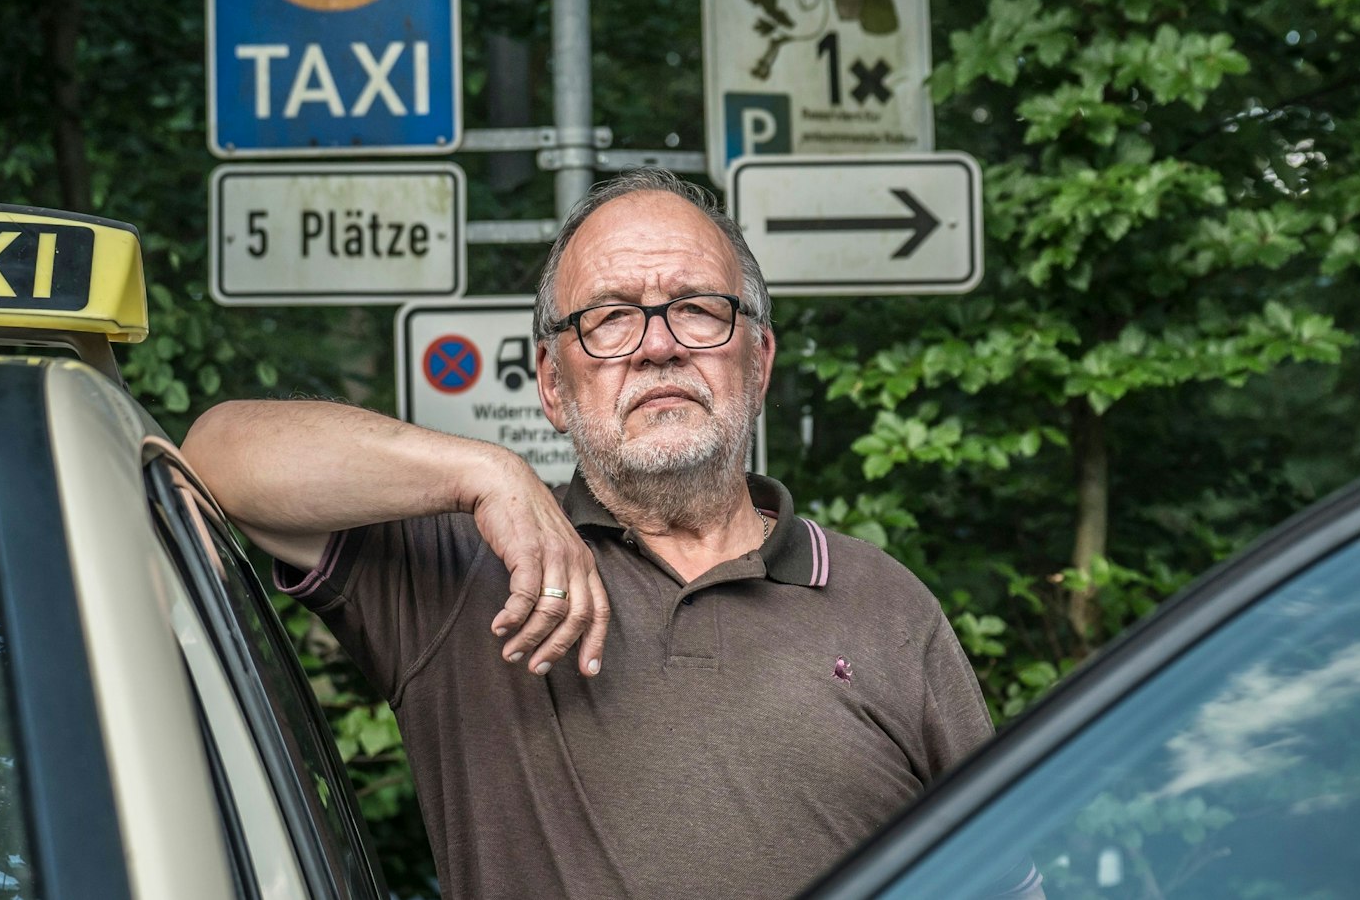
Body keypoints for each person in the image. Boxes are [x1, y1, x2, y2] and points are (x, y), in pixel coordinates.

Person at [183, 170, 1001, 899]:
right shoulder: (465, 573)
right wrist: (489, 473)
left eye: (696, 308)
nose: (658, 345)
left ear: (757, 360)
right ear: (550, 381)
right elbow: (219, 455)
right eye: (610, 318)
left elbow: (1005, 874)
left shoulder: (884, 603)